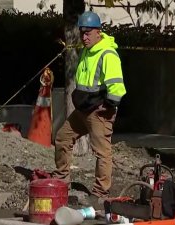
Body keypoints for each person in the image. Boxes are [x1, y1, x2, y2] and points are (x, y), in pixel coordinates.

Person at [51, 11, 126, 207]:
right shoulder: (87, 51)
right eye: (82, 33)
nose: (84, 37)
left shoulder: (107, 54)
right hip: (83, 110)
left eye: (88, 33)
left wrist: (107, 107)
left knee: (102, 152)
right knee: (62, 138)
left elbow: (117, 87)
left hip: (98, 111)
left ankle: (100, 192)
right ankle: (62, 180)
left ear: (98, 32)